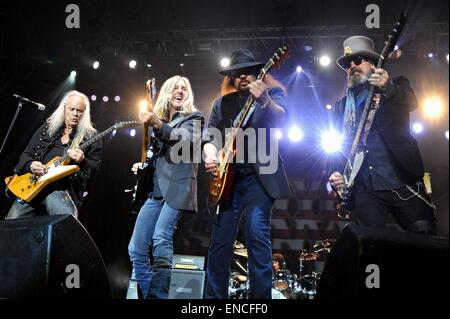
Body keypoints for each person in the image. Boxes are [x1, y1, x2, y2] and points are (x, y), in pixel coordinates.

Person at [203, 49, 290, 299]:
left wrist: (264, 101)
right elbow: (209, 136)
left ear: (258, 73)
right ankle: (213, 301)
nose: (242, 77)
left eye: (248, 72)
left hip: (259, 178)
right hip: (228, 180)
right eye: (237, 73)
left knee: (256, 234)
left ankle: (260, 301)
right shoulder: (222, 103)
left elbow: (282, 118)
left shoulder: (271, 94)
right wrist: (210, 155)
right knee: (220, 242)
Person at [328, 36, 436, 235]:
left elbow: (412, 102)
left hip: (403, 181)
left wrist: (388, 87)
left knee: (425, 239)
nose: (352, 66)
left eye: (358, 60)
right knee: (369, 249)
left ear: (373, 64)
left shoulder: (395, 85)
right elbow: (337, 146)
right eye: (347, 64)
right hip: (366, 189)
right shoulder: (340, 107)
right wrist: (335, 173)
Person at [128, 75, 204, 299]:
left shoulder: (194, 118)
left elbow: (184, 141)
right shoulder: (159, 122)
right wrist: (143, 167)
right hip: (155, 192)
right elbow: (157, 159)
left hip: (178, 188)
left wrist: (158, 125)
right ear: (167, 93)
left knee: (161, 237)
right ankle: (150, 293)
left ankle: (157, 295)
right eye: (175, 88)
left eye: (184, 88)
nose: (180, 91)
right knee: (136, 248)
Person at [5, 90, 102, 220]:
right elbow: (26, 154)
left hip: (61, 190)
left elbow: (95, 169)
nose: (75, 113)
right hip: (33, 186)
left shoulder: (91, 136)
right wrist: (31, 165)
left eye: (80, 110)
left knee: (64, 224)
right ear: (64, 108)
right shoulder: (48, 128)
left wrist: (82, 161)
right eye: (72, 109)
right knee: (11, 224)